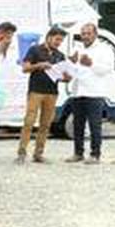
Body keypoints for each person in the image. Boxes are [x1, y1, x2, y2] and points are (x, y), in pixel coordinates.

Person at [66, 22, 115, 164]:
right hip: (78, 92)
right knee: (78, 125)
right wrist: (71, 62)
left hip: (94, 92)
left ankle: (95, 155)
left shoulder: (104, 49)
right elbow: (73, 70)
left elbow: (107, 69)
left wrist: (91, 64)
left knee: (95, 125)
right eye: (83, 34)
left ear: (95, 34)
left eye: (88, 33)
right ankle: (78, 153)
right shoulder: (78, 48)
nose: (85, 36)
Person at [19, 26, 68, 164]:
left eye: (61, 40)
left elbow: (63, 76)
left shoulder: (60, 55)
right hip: (36, 91)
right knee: (29, 122)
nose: (59, 42)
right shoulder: (35, 50)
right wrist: (39, 65)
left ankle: (38, 154)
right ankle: (22, 152)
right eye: (57, 39)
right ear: (49, 37)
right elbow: (25, 68)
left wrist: (67, 76)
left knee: (46, 124)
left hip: (52, 93)